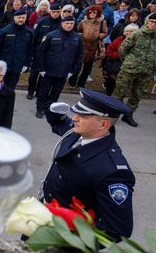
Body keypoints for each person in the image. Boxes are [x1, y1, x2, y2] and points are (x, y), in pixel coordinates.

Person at [42, 88, 135, 240]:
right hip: (44, 216)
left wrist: (68, 245)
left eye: (82, 115)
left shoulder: (112, 170)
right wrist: (53, 111)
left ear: (103, 124)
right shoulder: (79, 133)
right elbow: (59, 124)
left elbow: (116, 230)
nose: (74, 119)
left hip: (63, 235)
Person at [112, 12, 156, 127]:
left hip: (146, 70)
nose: (153, 24)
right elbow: (123, 49)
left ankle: (128, 115)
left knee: (137, 94)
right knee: (119, 92)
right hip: (130, 68)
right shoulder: (137, 34)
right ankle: (112, 114)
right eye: (151, 21)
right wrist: (128, 61)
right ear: (147, 21)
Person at [35, 15, 83, 118]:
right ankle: (40, 108)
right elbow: (41, 52)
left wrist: (72, 70)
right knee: (43, 92)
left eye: (71, 24)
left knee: (55, 93)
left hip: (64, 72)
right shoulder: (51, 35)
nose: (69, 25)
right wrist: (41, 68)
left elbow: (79, 56)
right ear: (62, 23)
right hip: (48, 70)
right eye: (67, 23)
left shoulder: (77, 38)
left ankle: (50, 109)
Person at [28, 3, 63, 99]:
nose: (55, 14)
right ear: (50, 11)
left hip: (51, 54)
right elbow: (34, 37)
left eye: (57, 12)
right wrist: (32, 52)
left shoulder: (62, 23)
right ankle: (30, 91)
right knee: (33, 75)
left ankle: (39, 91)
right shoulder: (42, 21)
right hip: (38, 52)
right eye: (54, 12)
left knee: (44, 76)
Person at [0, 8, 34, 89]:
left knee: (11, 88)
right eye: (19, 17)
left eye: (23, 17)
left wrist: (26, 64)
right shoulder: (5, 31)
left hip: (18, 65)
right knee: (0, 87)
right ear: (14, 18)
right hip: (4, 65)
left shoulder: (29, 33)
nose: (21, 19)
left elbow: (30, 50)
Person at [69, 5, 108, 88]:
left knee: (87, 67)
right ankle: (72, 82)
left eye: (94, 12)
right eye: (90, 12)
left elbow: (105, 32)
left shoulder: (102, 22)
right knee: (77, 65)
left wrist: (98, 36)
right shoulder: (83, 21)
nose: (92, 14)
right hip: (82, 45)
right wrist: (83, 35)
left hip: (93, 47)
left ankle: (81, 84)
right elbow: (77, 31)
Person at [102, 23, 139, 96]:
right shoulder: (119, 40)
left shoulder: (138, 42)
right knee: (111, 84)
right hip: (115, 65)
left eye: (131, 31)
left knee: (123, 86)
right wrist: (120, 55)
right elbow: (109, 51)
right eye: (127, 31)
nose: (128, 33)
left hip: (129, 67)